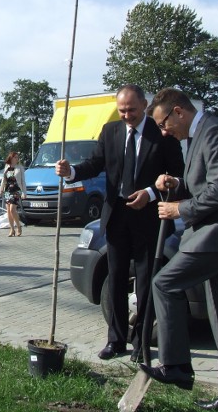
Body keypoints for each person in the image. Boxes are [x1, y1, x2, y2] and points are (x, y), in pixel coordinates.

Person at [140, 88, 218, 412]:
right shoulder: (197, 137)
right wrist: (176, 184)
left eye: (165, 124)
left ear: (178, 111)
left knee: (164, 283)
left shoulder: (216, 132)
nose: (164, 131)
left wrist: (180, 209)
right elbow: (205, 183)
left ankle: (176, 365)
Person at [55, 84, 184, 362]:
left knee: (146, 282)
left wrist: (150, 194)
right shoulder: (110, 131)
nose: (126, 115)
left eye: (132, 110)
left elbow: (177, 177)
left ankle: (140, 344)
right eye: (122, 110)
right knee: (114, 280)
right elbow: (95, 164)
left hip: (149, 218)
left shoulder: (162, 133)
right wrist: (71, 172)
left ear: (145, 105)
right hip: (116, 216)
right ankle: (116, 340)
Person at [0, 151, 27, 237]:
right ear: (11, 158)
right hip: (8, 190)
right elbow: (3, 180)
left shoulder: (20, 168)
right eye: (15, 157)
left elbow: (23, 181)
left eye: (18, 157)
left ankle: (18, 226)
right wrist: (1, 189)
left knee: (12, 209)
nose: (17, 159)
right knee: (8, 211)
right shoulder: (7, 167)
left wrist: (24, 193)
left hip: (17, 190)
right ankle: (12, 229)